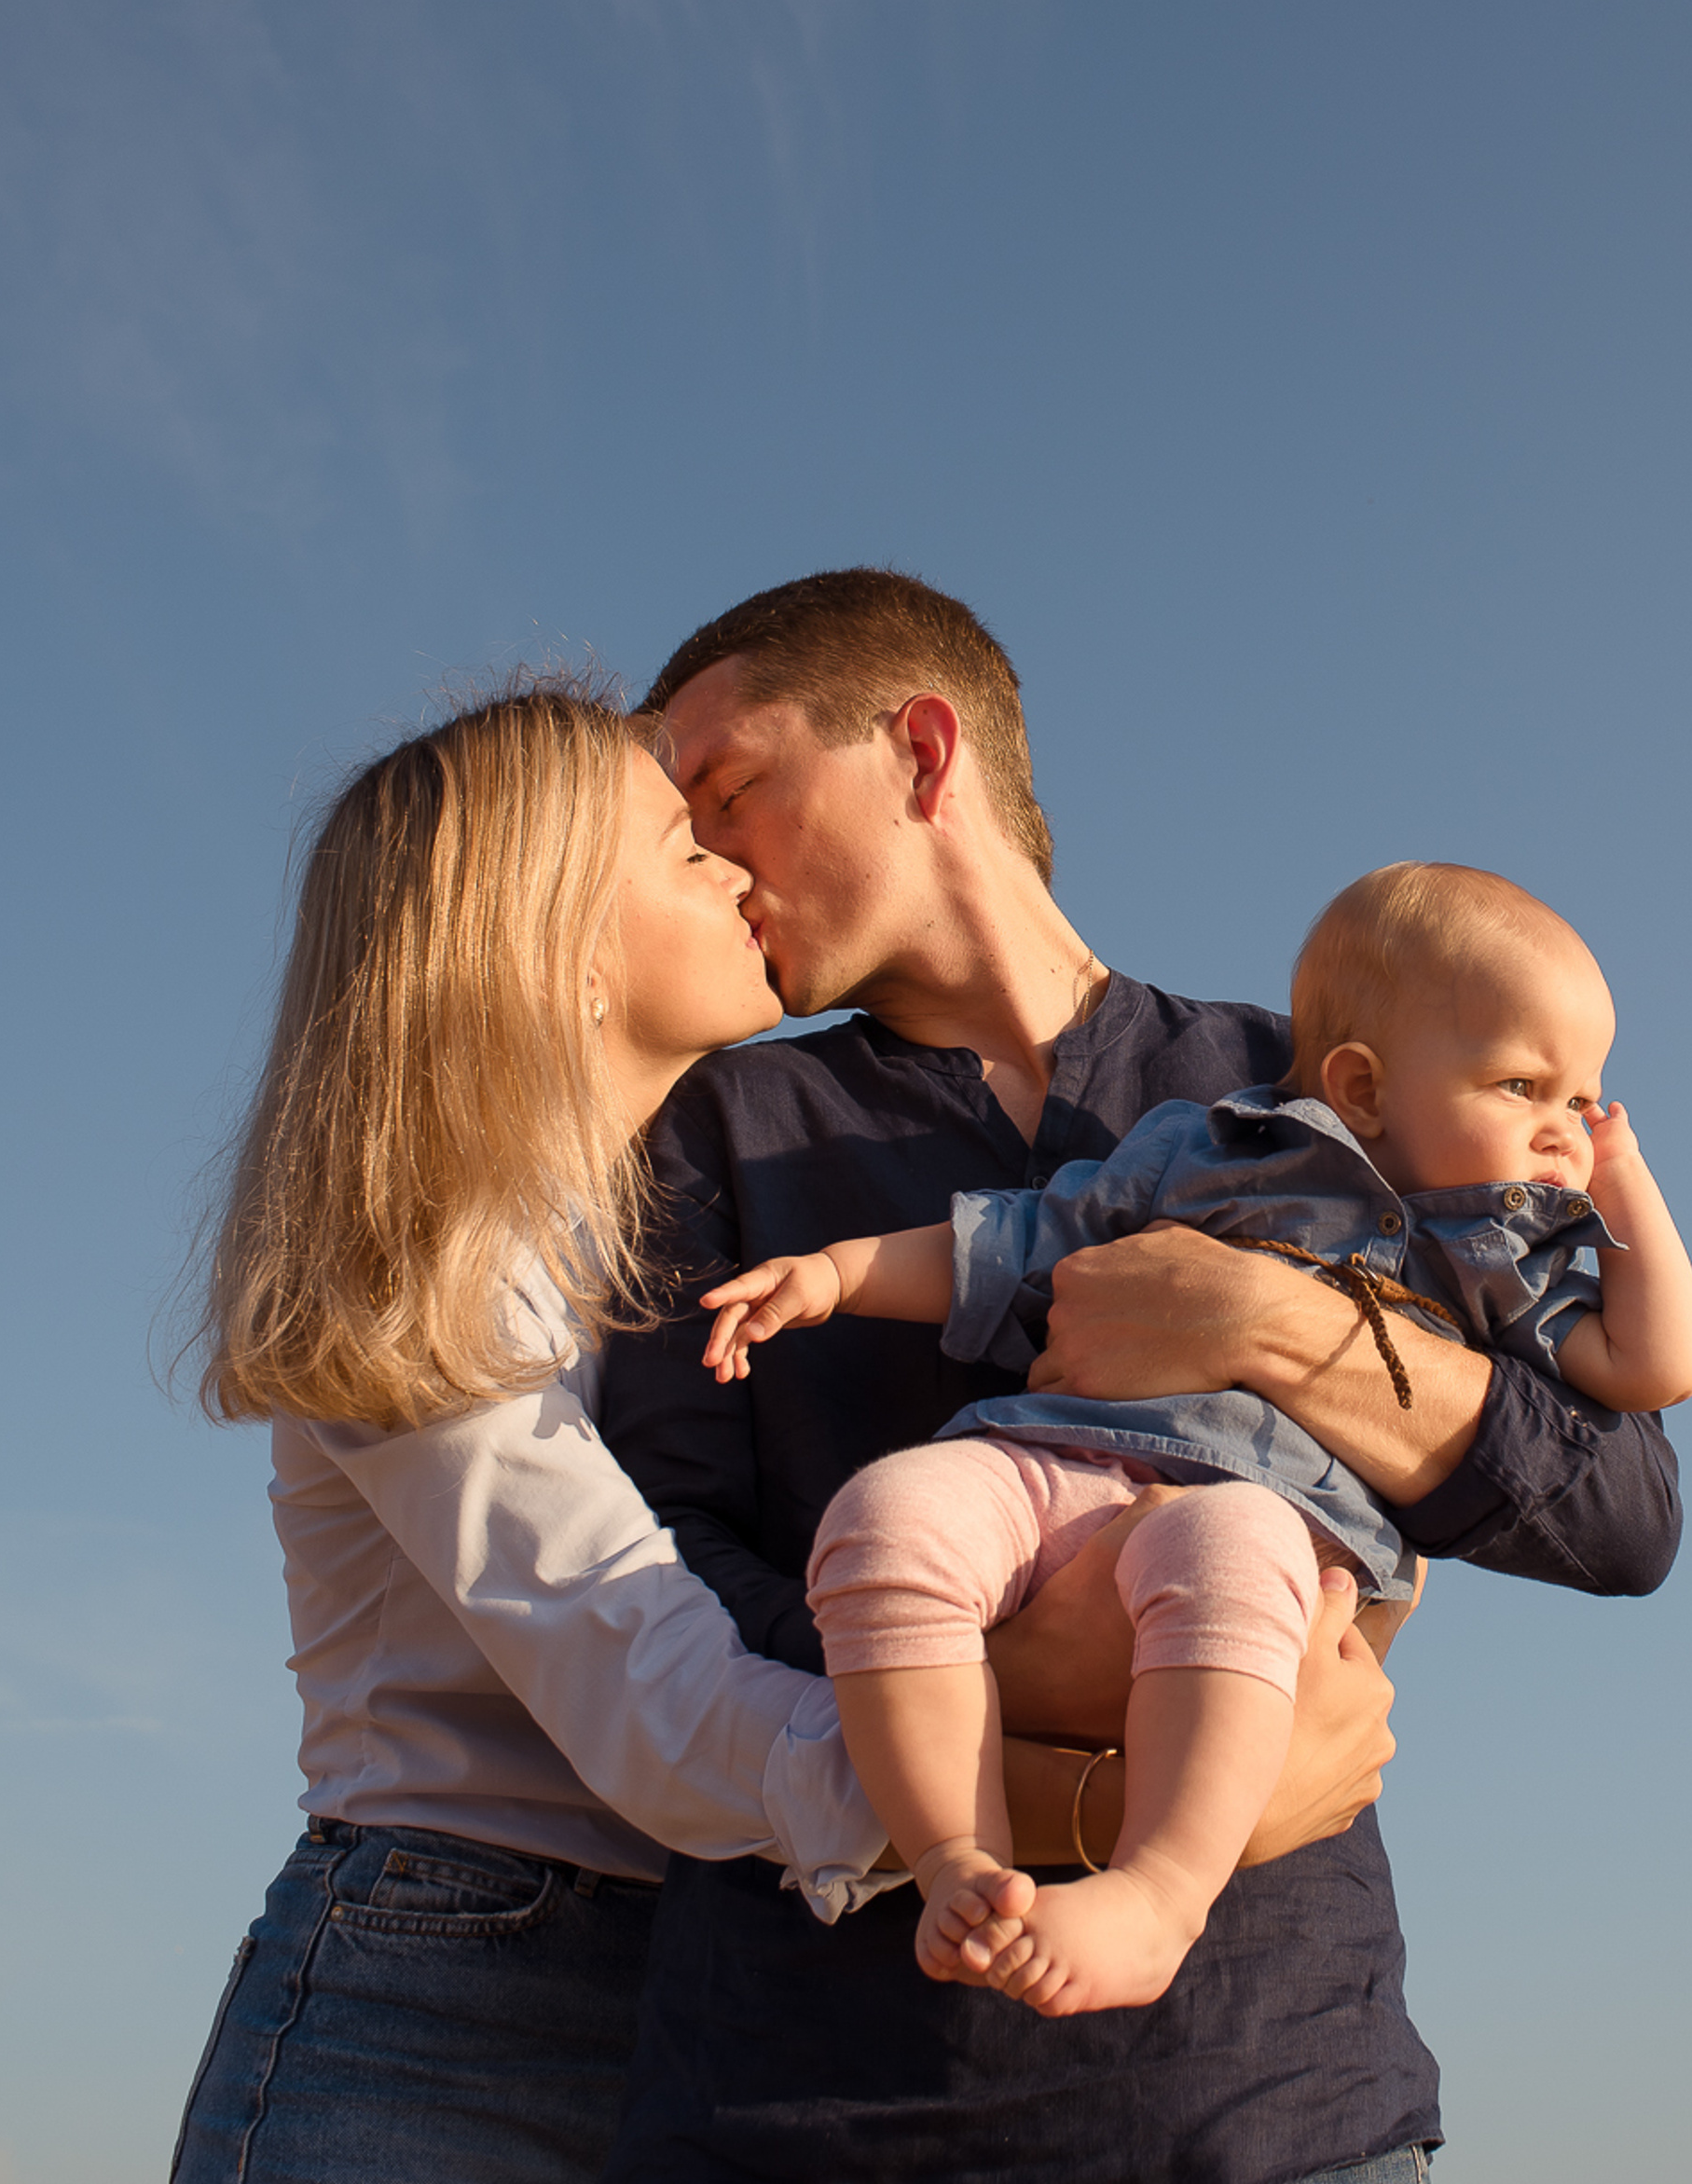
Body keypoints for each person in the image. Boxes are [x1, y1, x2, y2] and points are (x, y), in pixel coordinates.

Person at [169, 682, 1374, 2184]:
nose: (741, 871)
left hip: (712, 1975)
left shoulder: (678, 1212)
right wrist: (1129, 1805)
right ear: (555, 948)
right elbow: (653, 1689)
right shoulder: (436, 1254)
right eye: (686, 852)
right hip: (447, 1989)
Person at [596, 570, 1686, 2184]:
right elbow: (656, 1586)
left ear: (920, 749)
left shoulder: (1313, 1085)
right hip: (811, 2110)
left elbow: (1625, 1510)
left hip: (1274, 2108)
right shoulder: (708, 1135)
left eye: (733, 785)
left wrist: (1266, 1330)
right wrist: (1064, 1785)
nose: (708, 849)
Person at [694, 860, 1692, 2019]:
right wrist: (833, 1275)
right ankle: (952, 1859)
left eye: (1583, 1098)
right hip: (1056, 1451)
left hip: (1266, 1507)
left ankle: (1158, 1895)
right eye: (1524, 1084)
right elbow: (1014, 1241)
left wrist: (1625, 1194)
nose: (1562, 1129)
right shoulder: (1213, 1141)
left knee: (1222, 1558)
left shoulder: (1501, 1256)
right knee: (886, 1516)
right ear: (1362, 1086)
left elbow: (1652, 1375)